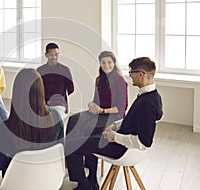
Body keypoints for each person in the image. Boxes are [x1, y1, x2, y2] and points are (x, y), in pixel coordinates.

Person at [66, 57, 163, 190]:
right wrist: (116, 125)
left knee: (71, 145)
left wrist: (115, 137)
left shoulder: (147, 104)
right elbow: (133, 120)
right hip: (118, 138)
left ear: (141, 74)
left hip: (120, 148)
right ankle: (92, 181)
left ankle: (85, 185)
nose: (130, 76)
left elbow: (144, 142)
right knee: (85, 133)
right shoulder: (151, 95)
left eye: (131, 73)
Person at [0, 68, 64, 178]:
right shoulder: (56, 117)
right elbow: (60, 152)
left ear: (16, 93)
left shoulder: (5, 128)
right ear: (41, 90)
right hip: (48, 180)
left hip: (16, 182)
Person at [66, 51, 128, 138]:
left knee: (86, 126)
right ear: (100, 64)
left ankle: (81, 149)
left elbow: (122, 107)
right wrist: (91, 104)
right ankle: (69, 149)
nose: (106, 65)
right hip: (99, 112)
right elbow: (96, 101)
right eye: (103, 62)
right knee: (73, 120)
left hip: (113, 114)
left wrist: (102, 110)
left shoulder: (120, 80)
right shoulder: (99, 79)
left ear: (114, 63)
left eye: (109, 62)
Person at [37, 42, 74, 119]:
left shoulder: (65, 70)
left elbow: (71, 89)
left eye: (56, 54)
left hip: (59, 104)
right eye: (51, 55)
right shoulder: (40, 71)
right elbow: (37, 90)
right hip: (43, 104)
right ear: (46, 55)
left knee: (55, 122)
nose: (54, 57)